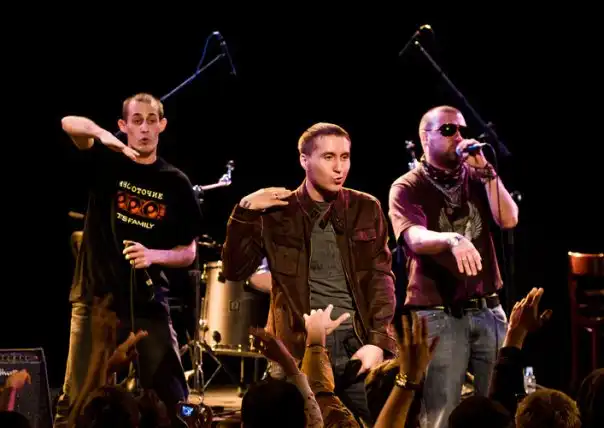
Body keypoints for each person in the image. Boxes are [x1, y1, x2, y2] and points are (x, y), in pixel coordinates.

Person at [221, 122, 397, 426]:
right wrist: (245, 211)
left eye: (345, 157)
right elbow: (235, 270)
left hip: (356, 344)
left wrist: (379, 342)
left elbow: (381, 279)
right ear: (304, 160)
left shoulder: (365, 208)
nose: (339, 167)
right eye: (329, 157)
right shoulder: (277, 212)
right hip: (296, 347)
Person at [54, 93, 204, 427]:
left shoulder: (175, 182)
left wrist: (154, 255)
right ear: (124, 125)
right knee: (79, 397)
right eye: (136, 121)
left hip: (148, 301)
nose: (145, 128)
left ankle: (194, 421)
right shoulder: (107, 163)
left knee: (174, 399)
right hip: (95, 298)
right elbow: (68, 123)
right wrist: (103, 136)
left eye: (152, 120)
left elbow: (189, 251)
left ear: (162, 125)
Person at [388, 105, 519, 428]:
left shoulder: (477, 176)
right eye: (448, 130)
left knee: (500, 409)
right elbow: (414, 237)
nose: (459, 136)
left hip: (488, 309)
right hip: (439, 313)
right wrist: (452, 239)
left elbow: (508, 219)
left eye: (462, 129)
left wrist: (487, 171)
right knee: (442, 413)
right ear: (425, 138)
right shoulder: (407, 186)